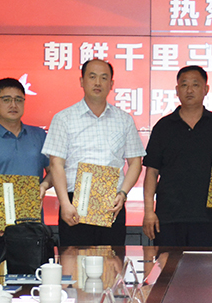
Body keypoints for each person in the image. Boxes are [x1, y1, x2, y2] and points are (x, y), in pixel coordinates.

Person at [41, 59, 144, 246]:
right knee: (74, 260)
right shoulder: (63, 118)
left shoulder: (124, 120)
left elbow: (135, 162)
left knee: (112, 260)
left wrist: (123, 194)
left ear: (111, 84)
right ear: (82, 81)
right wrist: (64, 203)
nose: (98, 83)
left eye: (104, 78)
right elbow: (56, 164)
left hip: (112, 203)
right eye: (92, 77)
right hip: (74, 203)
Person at [143, 66, 212, 247]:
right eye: (184, 85)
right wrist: (148, 211)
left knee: (204, 265)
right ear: (177, 90)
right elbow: (152, 172)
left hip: (207, 217)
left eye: (195, 84)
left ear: (206, 89)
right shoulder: (163, 127)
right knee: (167, 265)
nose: (189, 90)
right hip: (168, 217)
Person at [0, 78, 51, 278]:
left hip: (33, 230)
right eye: (6, 99)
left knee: (35, 285)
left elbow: (54, 172)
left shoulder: (39, 136)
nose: (13, 105)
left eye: (18, 99)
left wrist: (43, 186)